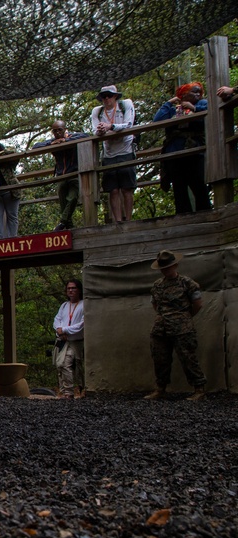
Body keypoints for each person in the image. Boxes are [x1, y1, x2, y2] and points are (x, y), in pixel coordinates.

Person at [145, 250, 206, 401]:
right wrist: (164, 316)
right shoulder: (157, 285)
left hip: (182, 329)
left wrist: (183, 317)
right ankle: (160, 389)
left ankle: (199, 390)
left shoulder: (187, 283)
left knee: (188, 357)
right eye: (162, 268)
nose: (165, 270)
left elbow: (197, 304)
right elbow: (154, 304)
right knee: (160, 359)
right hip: (160, 328)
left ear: (175, 265)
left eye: (168, 267)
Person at [153, 82, 212, 215]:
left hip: (195, 152)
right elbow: (157, 121)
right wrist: (169, 103)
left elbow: (211, 114)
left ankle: (205, 214)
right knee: (179, 187)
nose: (198, 94)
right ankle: (183, 216)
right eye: (194, 92)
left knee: (199, 184)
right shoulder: (173, 110)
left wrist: (194, 109)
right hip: (174, 152)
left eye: (199, 92)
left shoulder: (202, 104)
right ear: (184, 94)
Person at [32, 121, 91, 230]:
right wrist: (52, 144)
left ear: (65, 129)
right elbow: (35, 147)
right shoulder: (53, 141)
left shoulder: (73, 136)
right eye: (55, 131)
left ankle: (62, 223)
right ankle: (69, 228)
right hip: (61, 175)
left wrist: (66, 140)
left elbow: (86, 135)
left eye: (60, 130)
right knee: (63, 203)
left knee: (72, 198)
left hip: (74, 174)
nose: (58, 132)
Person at [90, 85, 136, 223]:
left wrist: (111, 127)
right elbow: (94, 130)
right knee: (113, 190)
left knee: (127, 188)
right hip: (109, 154)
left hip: (126, 150)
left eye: (109, 95)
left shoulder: (125, 105)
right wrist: (100, 131)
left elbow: (129, 124)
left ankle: (128, 219)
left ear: (115, 96)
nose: (106, 99)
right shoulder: (97, 112)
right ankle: (117, 220)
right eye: (103, 96)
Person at [52, 279, 85, 399]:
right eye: (69, 288)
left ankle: (73, 391)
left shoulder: (84, 305)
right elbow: (57, 319)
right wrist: (59, 330)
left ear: (79, 290)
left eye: (73, 288)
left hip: (76, 342)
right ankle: (66, 391)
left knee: (69, 365)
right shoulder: (64, 305)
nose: (70, 290)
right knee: (61, 364)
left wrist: (64, 330)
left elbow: (81, 325)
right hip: (63, 341)